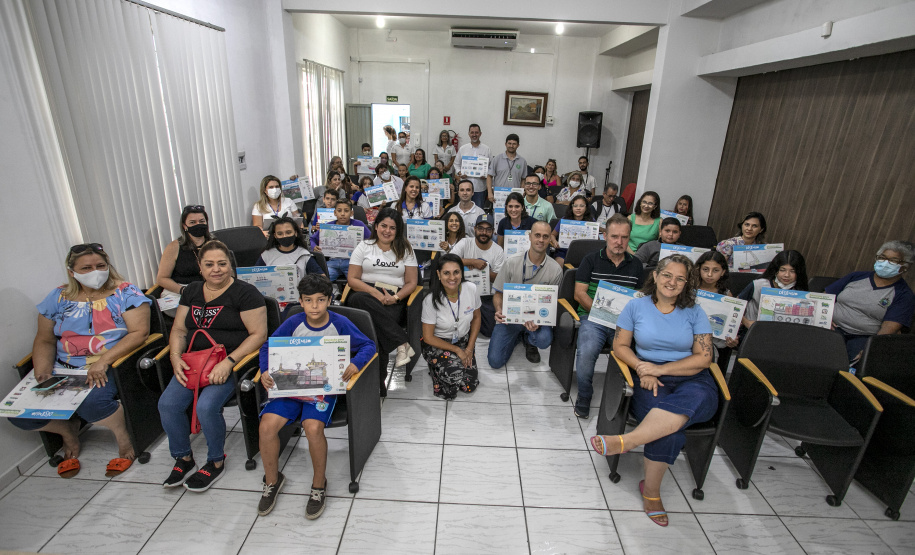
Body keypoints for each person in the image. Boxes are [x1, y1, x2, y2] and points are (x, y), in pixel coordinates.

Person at [590, 254, 716, 528]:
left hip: (691, 379)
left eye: (680, 278)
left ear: (686, 283)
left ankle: (628, 442)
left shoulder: (696, 311)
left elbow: (704, 358)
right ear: (656, 276)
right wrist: (642, 368)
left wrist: (661, 369)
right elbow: (620, 346)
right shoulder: (635, 307)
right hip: (648, 378)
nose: (672, 282)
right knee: (669, 428)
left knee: (690, 402)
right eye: (667, 275)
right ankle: (652, 493)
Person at [10, 244, 152, 478]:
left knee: (92, 403)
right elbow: (45, 339)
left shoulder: (125, 293)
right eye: (86, 268)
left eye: (100, 266)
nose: (95, 272)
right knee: (21, 415)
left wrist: (103, 361)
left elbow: (139, 333)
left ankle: (123, 437)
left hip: (108, 363)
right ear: (71, 271)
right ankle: (67, 431)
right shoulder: (58, 297)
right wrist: (43, 372)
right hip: (64, 367)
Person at [256, 274, 376, 519]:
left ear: (329, 300)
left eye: (320, 300)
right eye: (308, 300)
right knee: (266, 426)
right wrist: (265, 369)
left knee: (312, 428)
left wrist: (355, 363)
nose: (314, 306)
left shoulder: (340, 322)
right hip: (290, 387)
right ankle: (272, 480)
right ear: (300, 301)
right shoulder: (293, 322)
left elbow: (368, 346)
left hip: (323, 389)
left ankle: (319, 484)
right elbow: (269, 346)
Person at [159, 240, 267, 491]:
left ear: (231, 265)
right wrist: (175, 357)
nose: (216, 269)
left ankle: (216, 461)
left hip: (229, 362)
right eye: (209, 264)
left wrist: (229, 363)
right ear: (200, 267)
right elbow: (179, 329)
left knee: (207, 407)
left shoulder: (246, 293)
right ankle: (183, 457)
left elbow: (258, 335)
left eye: (222, 263)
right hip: (195, 362)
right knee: (168, 404)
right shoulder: (192, 291)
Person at [572, 215, 645, 418]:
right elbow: (580, 294)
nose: (619, 242)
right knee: (586, 353)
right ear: (605, 235)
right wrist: (603, 313)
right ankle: (585, 396)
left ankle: (625, 402)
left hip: (623, 323)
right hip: (592, 318)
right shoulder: (591, 260)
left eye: (624, 237)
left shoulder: (636, 265)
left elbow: (639, 299)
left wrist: (624, 321)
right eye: (614, 236)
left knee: (634, 354)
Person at [347, 208, 419, 395]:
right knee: (359, 299)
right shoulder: (364, 246)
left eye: (392, 228)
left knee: (374, 330)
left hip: (395, 297)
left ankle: (377, 384)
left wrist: (394, 297)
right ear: (376, 226)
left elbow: (412, 282)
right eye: (383, 226)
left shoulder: (406, 249)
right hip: (365, 294)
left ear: (398, 230)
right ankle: (401, 342)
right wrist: (375, 294)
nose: (387, 231)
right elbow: (353, 279)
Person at [487, 221, 564, 367]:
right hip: (511, 317)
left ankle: (529, 340)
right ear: (529, 237)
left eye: (545, 236)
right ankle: (519, 335)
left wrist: (538, 321)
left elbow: (552, 305)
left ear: (549, 240)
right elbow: (498, 293)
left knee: (544, 340)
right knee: (495, 362)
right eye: (537, 235)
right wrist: (498, 309)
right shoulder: (511, 262)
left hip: (536, 321)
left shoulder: (555, 270)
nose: (541, 240)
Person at [826, 240, 914, 364]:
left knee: (847, 365)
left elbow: (889, 328)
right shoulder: (856, 276)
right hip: (832, 327)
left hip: (863, 337)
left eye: (893, 260)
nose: (885, 263)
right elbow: (823, 298)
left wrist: (870, 349)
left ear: (905, 266)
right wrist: (824, 318)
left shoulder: (904, 295)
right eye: (882, 258)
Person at [421, 254, 481, 400]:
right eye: (446, 273)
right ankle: (435, 368)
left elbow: (477, 317)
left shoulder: (471, 289)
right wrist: (457, 351)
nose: (452, 278)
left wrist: (469, 349)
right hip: (438, 343)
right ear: (438, 275)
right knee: (452, 380)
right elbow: (428, 337)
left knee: (469, 385)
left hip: (462, 340)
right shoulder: (430, 300)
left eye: (456, 272)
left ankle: (445, 365)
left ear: (462, 273)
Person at [452, 214, 505, 337]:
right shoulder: (465, 242)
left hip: (486, 295)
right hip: (462, 291)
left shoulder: (498, 250)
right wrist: (471, 262)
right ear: (475, 229)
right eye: (481, 228)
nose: (484, 233)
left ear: (493, 231)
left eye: (488, 230)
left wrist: (483, 271)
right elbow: (449, 260)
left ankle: (475, 319)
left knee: (490, 331)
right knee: (456, 327)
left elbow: (498, 278)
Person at [737, 250, 809, 330]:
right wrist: (747, 322)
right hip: (753, 331)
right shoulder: (759, 284)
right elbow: (735, 306)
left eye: (792, 271)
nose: (787, 275)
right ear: (776, 270)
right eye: (782, 270)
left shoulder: (801, 292)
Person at [156, 205, 217, 296]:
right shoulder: (174, 247)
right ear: (185, 226)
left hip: (209, 287)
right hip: (180, 290)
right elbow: (162, 278)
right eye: (192, 222)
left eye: (202, 221)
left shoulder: (215, 244)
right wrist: (183, 290)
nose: (198, 224)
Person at [692, 250, 740, 363]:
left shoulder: (726, 295)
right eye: (705, 269)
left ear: (723, 272)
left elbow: (731, 327)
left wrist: (732, 339)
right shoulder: (688, 290)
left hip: (715, 343)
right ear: (698, 269)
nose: (709, 274)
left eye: (716, 270)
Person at [310, 199, 372, 281]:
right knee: (322, 282)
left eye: (346, 211)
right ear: (335, 213)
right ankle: (331, 294)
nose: (342, 214)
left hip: (352, 262)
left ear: (351, 213)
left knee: (357, 283)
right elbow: (312, 238)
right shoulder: (328, 226)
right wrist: (314, 246)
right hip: (333, 262)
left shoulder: (359, 225)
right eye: (339, 211)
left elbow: (371, 240)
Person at [257, 217, 325, 281]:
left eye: (288, 232)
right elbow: (254, 276)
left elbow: (322, 279)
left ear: (295, 233)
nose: (284, 236)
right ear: (275, 236)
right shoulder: (267, 255)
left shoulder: (304, 255)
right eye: (280, 234)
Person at [453, 123, 492, 208]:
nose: (474, 135)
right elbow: (456, 164)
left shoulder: (486, 149)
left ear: (480, 134)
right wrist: (459, 172)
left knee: (478, 211)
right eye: (472, 132)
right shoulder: (463, 149)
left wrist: (486, 175)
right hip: (465, 188)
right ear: (469, 134)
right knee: (463, 209)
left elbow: (491, 167)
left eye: (476, 132)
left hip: (480, 188)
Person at [550, 195, 595, 266]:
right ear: (572, 207)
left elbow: (596, 240)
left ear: (586, 207)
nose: (578, 208)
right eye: (575, 206)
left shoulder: (591, 221)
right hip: (564, 251)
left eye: (581, 206)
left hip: (584, 252)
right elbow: (552, 235)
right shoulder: (564, 219)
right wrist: (555, 241)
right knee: (558, 264)